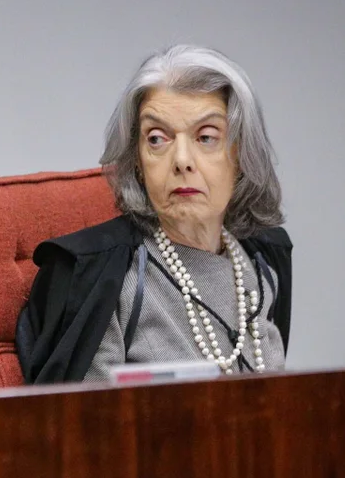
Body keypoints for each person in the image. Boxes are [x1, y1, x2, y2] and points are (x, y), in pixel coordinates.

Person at [16, 45, 292, 384]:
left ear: (241, 156)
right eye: (157, 139)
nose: (182, 160)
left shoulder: (263, 263)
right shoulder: (102, 280)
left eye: (206, 137)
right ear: (137, 161)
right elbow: (82, 415)